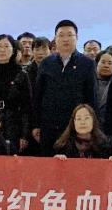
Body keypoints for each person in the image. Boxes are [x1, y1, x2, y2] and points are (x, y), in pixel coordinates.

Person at [32, 20, 97, 155]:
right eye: (61, 35)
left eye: (70, 35)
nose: (65, 39)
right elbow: (38, 96)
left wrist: (91, 127)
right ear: (55, 38)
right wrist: (36, 124)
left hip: (74, 128)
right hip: (48, 126)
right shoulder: (46, 63)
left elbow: (91, 97)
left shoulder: (87, 63)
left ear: (77, 37)